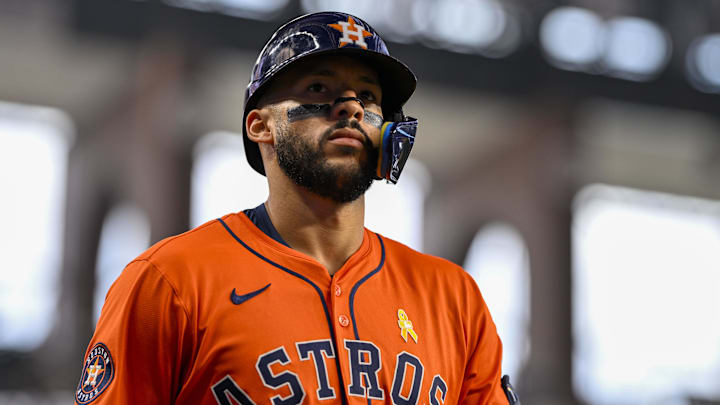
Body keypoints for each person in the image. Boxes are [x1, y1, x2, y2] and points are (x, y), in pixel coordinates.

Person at [74, 11, 520, 405]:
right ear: (260, 125)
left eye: (367, 97)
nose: (349, 109)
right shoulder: (170, 282)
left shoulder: (454, 299)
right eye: (319, 88)